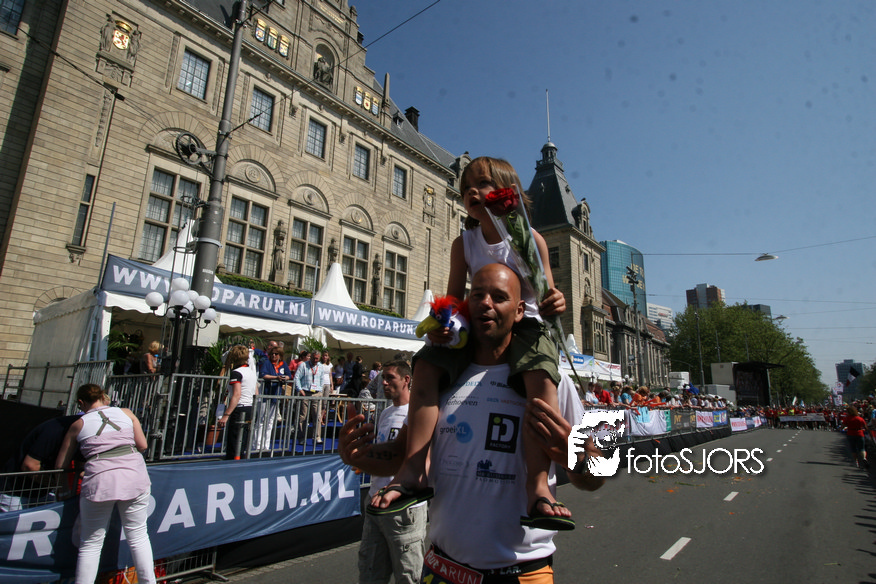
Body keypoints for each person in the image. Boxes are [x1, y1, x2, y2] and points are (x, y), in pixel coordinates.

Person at [342, 264, 606, 581]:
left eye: (499, 297)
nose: (486, 303)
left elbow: (596, 476)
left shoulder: (549, 381)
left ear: (519, 311)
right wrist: (357, 457)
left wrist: (574, 457)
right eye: (478, 295)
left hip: (523, 571)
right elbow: (403, 456)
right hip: (443, 568)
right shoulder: (442, 377)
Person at [379, 157, 570, 529]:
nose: (472, 191)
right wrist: (442, 325)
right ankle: (415, 468)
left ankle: (537, 484)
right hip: (474, 325)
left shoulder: (531, 240)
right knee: (426, 365)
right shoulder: (463, 242)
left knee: (541, 379)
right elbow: (453, 299)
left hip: (526, 325)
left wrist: (556, 302)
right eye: (466, 186)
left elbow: (548, 293)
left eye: (482, 184)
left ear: (507, 191)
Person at [55, 384, 155, 584]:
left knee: (90, 544)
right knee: (138, 537)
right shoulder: (126, 413)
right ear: (103, 397)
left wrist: (65, 484)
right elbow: (143, 445)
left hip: (100, 482)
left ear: (81, 402)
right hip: (134, 477)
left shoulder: (78, 424)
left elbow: (60, 465)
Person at [357, 360, 426, 584]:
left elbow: (419, 460)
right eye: (383, 378)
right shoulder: (386, 413)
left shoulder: (419, 413)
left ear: (406, 380)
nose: (384, 383)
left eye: (390, 378)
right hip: (375, 503)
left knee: (408, 575)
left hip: (404, 508)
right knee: (370, 572)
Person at [1, 414, 82, 511]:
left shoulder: (81, 436)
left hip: (44, 492)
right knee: (13, 520)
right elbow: (30, 466)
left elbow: (80, 468)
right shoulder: (54, 430)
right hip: (15, 492)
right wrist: (58, 486)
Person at [218, 345, 258, 460]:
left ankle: (233, 462)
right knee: (243, 442)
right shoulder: (251, 372)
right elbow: (256, 392)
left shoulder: (236, 373)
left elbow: (236, 395)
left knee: (234, 442)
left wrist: (226, 415)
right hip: (250, 407)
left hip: (240, 408)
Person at [254, 346, 292, 451]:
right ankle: (257, 444)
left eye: (276, 354)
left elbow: (289, 375)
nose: (274, 356)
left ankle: (266, 445)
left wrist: (285, 378)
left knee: (270, 421)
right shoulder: (267, 363)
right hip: (265, 394)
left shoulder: (283, 364)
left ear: (280, 355)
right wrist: (276, 377)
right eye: (272, 354)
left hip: (275, 395)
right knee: (261, 420)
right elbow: (263, 375)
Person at [294, 350, 323, 445]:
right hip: (305, 392)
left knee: (317, 416)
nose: (315, 360)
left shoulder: (320, 366)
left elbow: (322, 379)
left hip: (316, 393)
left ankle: (317, 437)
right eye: (314, 358)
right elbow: (297, 377)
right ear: (311, 357)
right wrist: (300, 389)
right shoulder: (303, 365)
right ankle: (301, 437)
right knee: (303, 416)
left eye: (317, 359)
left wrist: (320, 390)